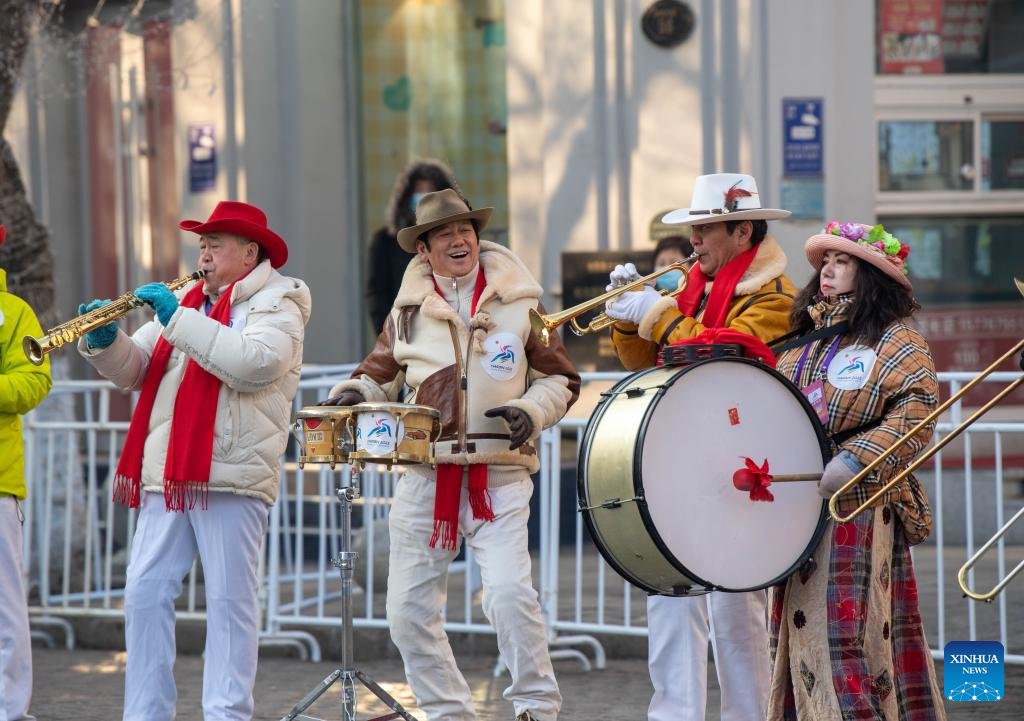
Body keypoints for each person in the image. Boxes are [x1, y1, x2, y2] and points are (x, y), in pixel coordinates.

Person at [321, 188, 580, 721]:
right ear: (424, 250)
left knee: (509, 598)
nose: (459, 240)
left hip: (500, 476)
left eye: (465, 230)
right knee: (407, 613)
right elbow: (379, 376)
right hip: (424, 474)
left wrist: (530, 411)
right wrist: (356, 393)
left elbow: (560, 379)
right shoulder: (406, 311)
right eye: (444, 234)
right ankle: (449, 712)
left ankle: (536, 707)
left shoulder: (521, 301)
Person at [77, 201, 311, 721]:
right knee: (143, 593)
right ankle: (146, 713)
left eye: (215, 243)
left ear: (250, 253)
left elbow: (254, 364)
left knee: (230, 603)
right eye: (201, 243)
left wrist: (176, 317)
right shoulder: (186, 302)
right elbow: (137, 371)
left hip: (231, 469)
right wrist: (104, 340)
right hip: (169, 470)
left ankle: (227, 713)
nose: (203, 252)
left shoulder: (281, 300)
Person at [605, 173, 795, 721]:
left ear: (742, 231)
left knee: (737, 613)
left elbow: (722, 358)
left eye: (705, 228)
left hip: (740, 464)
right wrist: (627, 320)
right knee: (669, 598)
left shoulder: (775, 295)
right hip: (683, 457)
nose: (693, 241)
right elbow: (643, 364)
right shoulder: (692, 286)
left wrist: (654, 313)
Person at [767, 221, 945, 720]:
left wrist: (856, 458)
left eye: (842, 262)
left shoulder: (897, 337)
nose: (827, 270)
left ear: (870, 275)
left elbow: (918, 410)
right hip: (801, 503)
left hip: (860, 503)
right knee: (795, 631)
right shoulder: (805, 338)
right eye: (825, 262)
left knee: (845, 631)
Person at [0, 223, 53, 721]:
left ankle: (9, 711)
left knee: (4, 608)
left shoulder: (15, 313)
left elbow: (33, 384)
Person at [366, 159, 459, 332]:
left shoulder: (457, 241)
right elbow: (378, 296)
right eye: (419, 192)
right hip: (405, 334)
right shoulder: (385, 242)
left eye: (430, 193)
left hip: (449, 330)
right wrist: (390, 336)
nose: (423, 199)